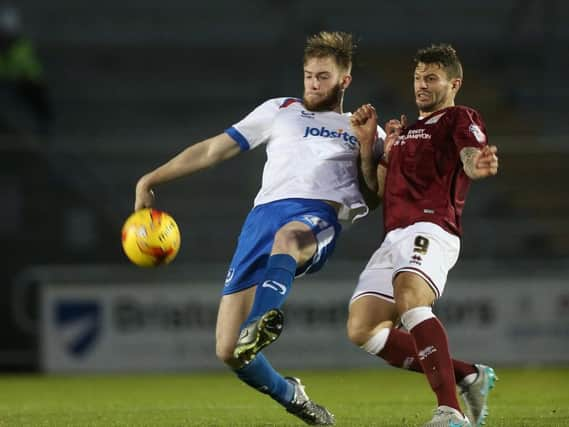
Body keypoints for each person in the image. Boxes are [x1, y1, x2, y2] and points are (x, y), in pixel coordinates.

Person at [134, 31, 384, 426]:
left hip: (316, 215)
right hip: (261, 220)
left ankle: (262, 320)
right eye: (308, 75)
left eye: (322, 76)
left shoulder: (361, 128)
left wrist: (370, 148)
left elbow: (373, 197)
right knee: (229, 350)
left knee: (288, 239)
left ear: (344, 81)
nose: (313, 84)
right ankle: (293, 396)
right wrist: (151, 178)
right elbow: (214, 149)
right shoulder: (279, 109)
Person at [347, 44, 499, 427]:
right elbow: (377, 191)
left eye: (431, 78)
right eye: (417, 77)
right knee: (363, 328)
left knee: (413, 300)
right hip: (393, 235)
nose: (421, 85)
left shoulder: (459, 118)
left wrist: (477, 165)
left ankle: (450, 411)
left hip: (432, 227)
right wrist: (370, 146)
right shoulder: (406, 131)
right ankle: (467, 374)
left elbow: (470, 157)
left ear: (454, 83)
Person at [0, 5, 53, 137]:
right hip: (7, 81)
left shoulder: (22, 47)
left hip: (21, 81)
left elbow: (31, 71)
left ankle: (44, 122)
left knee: (35, 91)